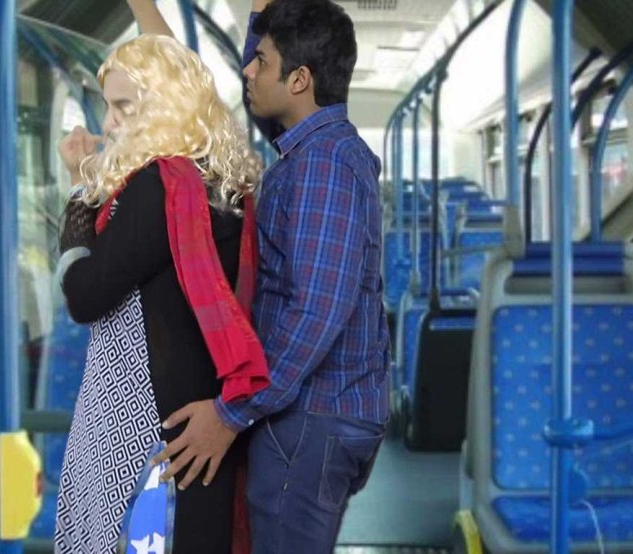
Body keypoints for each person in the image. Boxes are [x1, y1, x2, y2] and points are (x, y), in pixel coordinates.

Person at [154, 0, 391, 552]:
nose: (248, 71)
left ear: (300, 80)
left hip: (312, 416)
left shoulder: (323, 167)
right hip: (319, 411)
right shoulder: (313, 149)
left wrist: (231, 413)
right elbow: (259, 98)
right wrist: (261, 15)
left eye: (260, 61)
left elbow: (317, 311)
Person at [52, 1, 269, 551]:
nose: (109, 124)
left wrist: (78, 191)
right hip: (197, 418)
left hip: (148, 432)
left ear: (164, 105)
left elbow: (85, 295)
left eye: (123, 107)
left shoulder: (159, 186)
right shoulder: (213, 178)